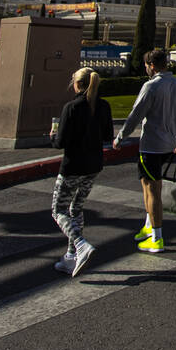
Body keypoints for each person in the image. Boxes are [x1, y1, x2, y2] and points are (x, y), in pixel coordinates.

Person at [113, 48, 176, 254]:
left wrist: (120, 138)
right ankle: (149, 225)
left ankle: (157, 237)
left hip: (152, 146)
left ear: (152, 66)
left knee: (152, 190)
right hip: (169, 144)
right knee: (147, 184)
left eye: (146, 66)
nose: (146, 69)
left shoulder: (151, 86)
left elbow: (135, 115)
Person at [50, 67, 113, 276]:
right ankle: (71, 256)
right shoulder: (103, 106)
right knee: (76, 208)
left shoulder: (72, 107)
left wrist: (52, 135)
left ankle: (79, 244)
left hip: (73, 166)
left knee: (58, 210)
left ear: (77, 84)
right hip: (93, 165)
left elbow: (61, 142)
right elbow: (107, 135)